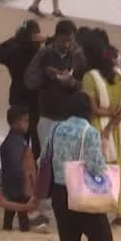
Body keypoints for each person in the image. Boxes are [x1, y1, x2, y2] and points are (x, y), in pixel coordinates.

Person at [47, 93, 113, 241]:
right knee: (103, 240)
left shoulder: (55, 129)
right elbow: (96, 168)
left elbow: (45, 158)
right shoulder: (89, 132)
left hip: (58, 191)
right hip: (81, 191)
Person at [80, 32, 121, 224]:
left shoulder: (89, 78)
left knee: (97, 167)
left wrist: (108, 118)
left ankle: (99, 208)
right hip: (118, 128)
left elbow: (93, 108)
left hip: (97, 127)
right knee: (119, 166)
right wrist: (114, 119)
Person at [24, 19, 86, 152]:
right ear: (56, 37)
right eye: (64, 41)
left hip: (71, 118)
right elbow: (29, 80)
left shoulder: (78, 56)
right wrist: (45, 75)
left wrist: (73, 83)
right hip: (48, 115)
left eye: (71, 41)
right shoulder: (44, 53)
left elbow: (87, 85)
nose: (68, 45)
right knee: (46, 158)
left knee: (67, 159)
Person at [0, 20, 45, 156]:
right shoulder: (42, 54)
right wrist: (47, 39)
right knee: (37, 141)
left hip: (17, 100)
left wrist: (13, 39)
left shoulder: (12, 51)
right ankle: (35, 171)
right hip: (36, 102)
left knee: (19, 140)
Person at [0, 107, 46, 232]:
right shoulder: (15, 142)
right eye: (25, 121)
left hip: (13, 185)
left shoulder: (14, 141)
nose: (27, 124)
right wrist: (25, 185)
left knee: (10, 210)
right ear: (15, 123)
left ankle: (7, 226)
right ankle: (21, 228)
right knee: (22, 212)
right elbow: (15, 166)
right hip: (20, 186)